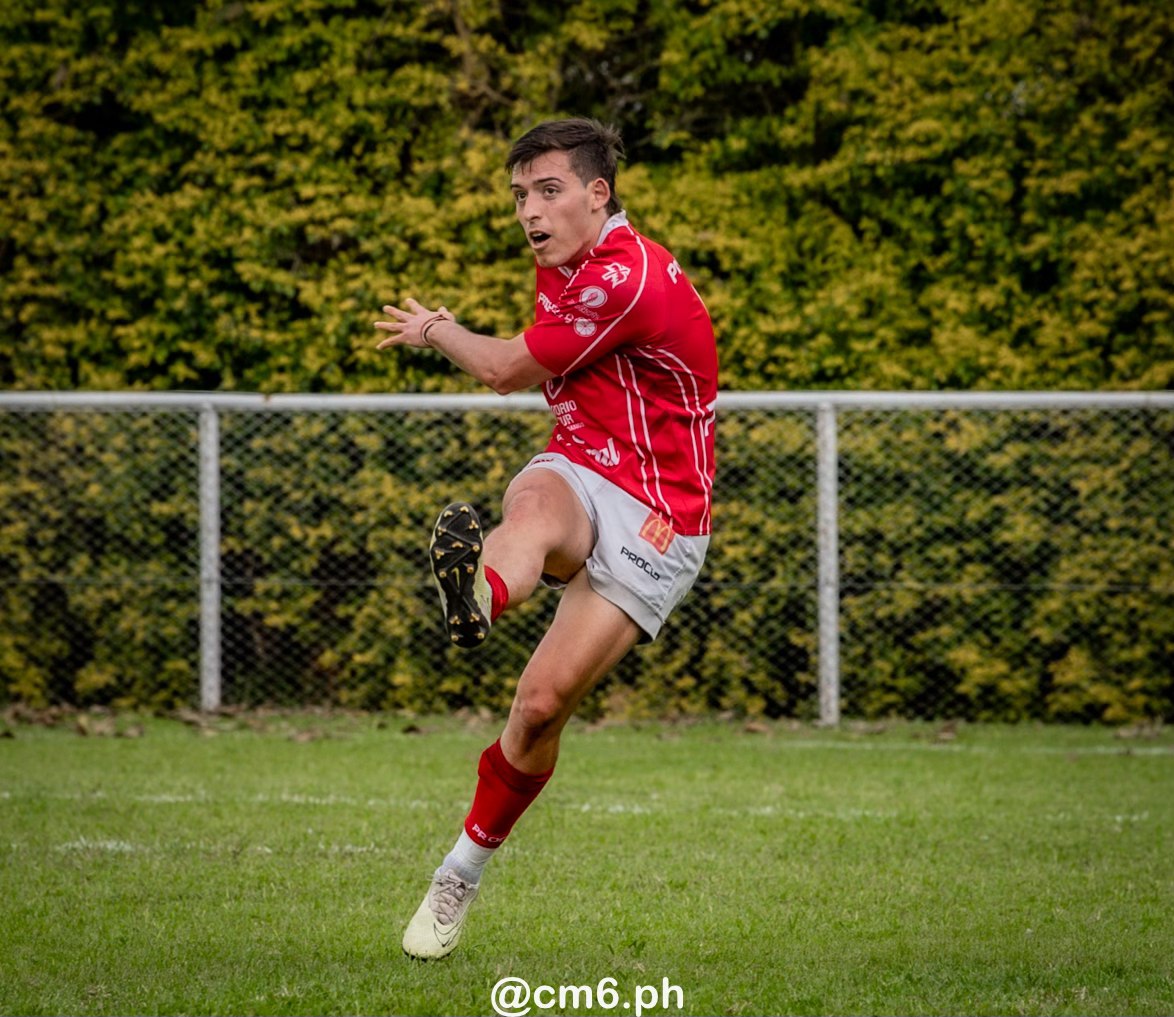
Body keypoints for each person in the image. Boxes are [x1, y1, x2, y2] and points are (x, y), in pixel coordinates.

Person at [373, 117, 717, 960]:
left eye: (550, 189)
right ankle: (479, 596)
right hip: (578, 464)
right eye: (521, 194)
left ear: (600, 194)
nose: (530, 209)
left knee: (537, 708)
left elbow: (501, 371)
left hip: (658, 513)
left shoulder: (624, 277)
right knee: (529, 510)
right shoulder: (564, 263)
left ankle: (459, 871)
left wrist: (434, 329)